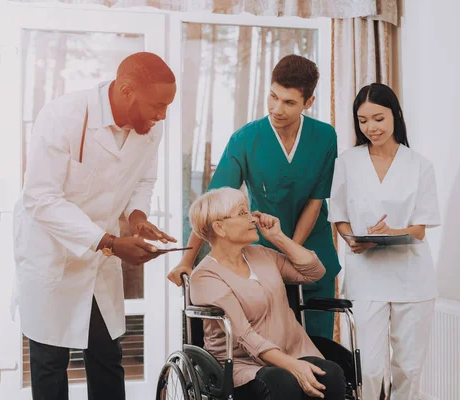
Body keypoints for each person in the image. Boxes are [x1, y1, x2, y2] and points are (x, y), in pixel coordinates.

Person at [12, 52, 177, 400]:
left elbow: (144, 179)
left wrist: (138, 217)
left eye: (167, 107)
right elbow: (40, 198)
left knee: (106, 355)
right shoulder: (64, 116)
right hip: (52, 253)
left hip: (99, 258)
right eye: (157, 105)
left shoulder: (151, 128)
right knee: (50, 362)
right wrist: (111, 243)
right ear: (127, 90)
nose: (162, 115)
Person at [169, 54, 341, 340]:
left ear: (308, 103)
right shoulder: (245, 139)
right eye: (273, 97)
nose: (277, 108)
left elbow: (315, 201)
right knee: (272, 344)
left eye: (289, 102)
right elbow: (212, 204)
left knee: (318, 345)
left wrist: (290, 250)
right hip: (262, 262)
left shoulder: (325, 137)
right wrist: (187, 260)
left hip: (312, 252)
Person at [328, 83, 441, 400]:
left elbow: (420, 228)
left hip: (411, 279)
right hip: (367, 277)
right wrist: (351, 239)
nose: (371, 128)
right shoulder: (347, 162)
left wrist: (392, 234)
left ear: (395, 115)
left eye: (378, 118)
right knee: (371, 369)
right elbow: (338, 214)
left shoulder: (419, 165)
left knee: (408, 369)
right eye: (363, 120)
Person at [188, 187, 346, 400]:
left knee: (331, 374)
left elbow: (314, 272)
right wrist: (293, 367)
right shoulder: (205, 276)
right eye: (243, 213)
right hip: (240, 364)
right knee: (282, 382)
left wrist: (278, 237)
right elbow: (243, 334)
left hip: (293, 351)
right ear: (220, 228)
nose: (252, 218)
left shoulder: (262, 255)